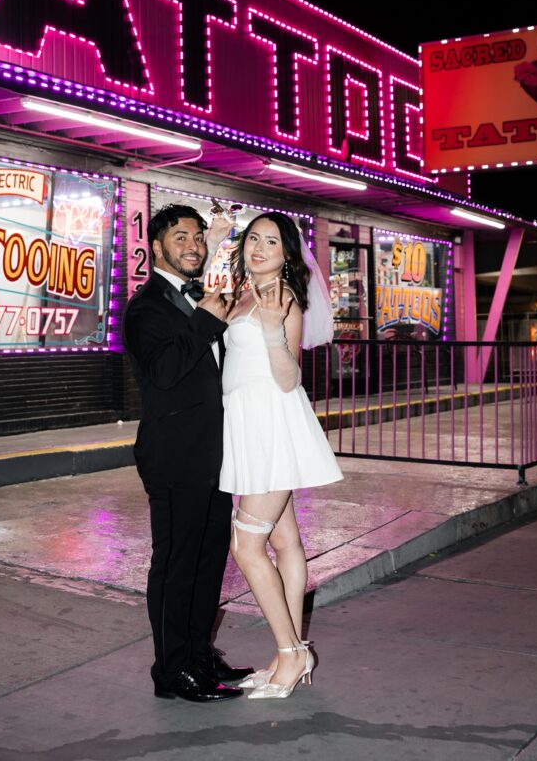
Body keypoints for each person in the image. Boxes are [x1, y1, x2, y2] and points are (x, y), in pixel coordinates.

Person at [122, 203, 252, 702]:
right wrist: (206, 319)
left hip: (216, 458)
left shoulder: (200, 296)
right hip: (175, 457)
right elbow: (164, 373)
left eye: (199, 237)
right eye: (181, 237)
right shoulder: (145, 307)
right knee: (177, 565)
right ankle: (171, 672)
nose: (193, 245)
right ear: (157, 247)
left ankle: (198, 655)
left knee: (207, 563)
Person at [218, 211, 344, 700]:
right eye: (253, 238)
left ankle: (292, 654)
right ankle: (286, 652)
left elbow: (289, 378)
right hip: (245, 424)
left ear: (287, 253)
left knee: (246, 547)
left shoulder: (284, 298)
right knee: (285, 541)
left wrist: (272, 330)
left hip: (270, 423)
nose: (259, 247)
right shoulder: (243, 295)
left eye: (271, 241)